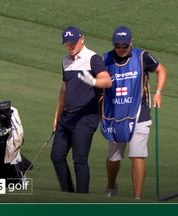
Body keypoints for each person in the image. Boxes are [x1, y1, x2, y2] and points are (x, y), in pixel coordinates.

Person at [101, 26, 167, 199]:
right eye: (118, 46)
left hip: (140, 113)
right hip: (116, 116)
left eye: (125, 45)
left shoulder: (142, 56)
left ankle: (137, 198)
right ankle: (110, 186)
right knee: (113, 158)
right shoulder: (105, 59)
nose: (121, 49)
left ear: (131, 42)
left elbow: (161, 70)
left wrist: (158, 93)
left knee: (137, 154)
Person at [51, 26, 112, 193]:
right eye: (67, 44)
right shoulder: (65, 61)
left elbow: (107, 81)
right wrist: (57, 114)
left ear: (82, 39)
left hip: (85, 118)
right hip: (67, 117)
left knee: (79, 159)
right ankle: (68, 194)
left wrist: (93, 81)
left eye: (73, 43)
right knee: (57, 155)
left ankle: (82, 198)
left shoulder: (92, 58)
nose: (70, 47)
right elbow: (64, 89)